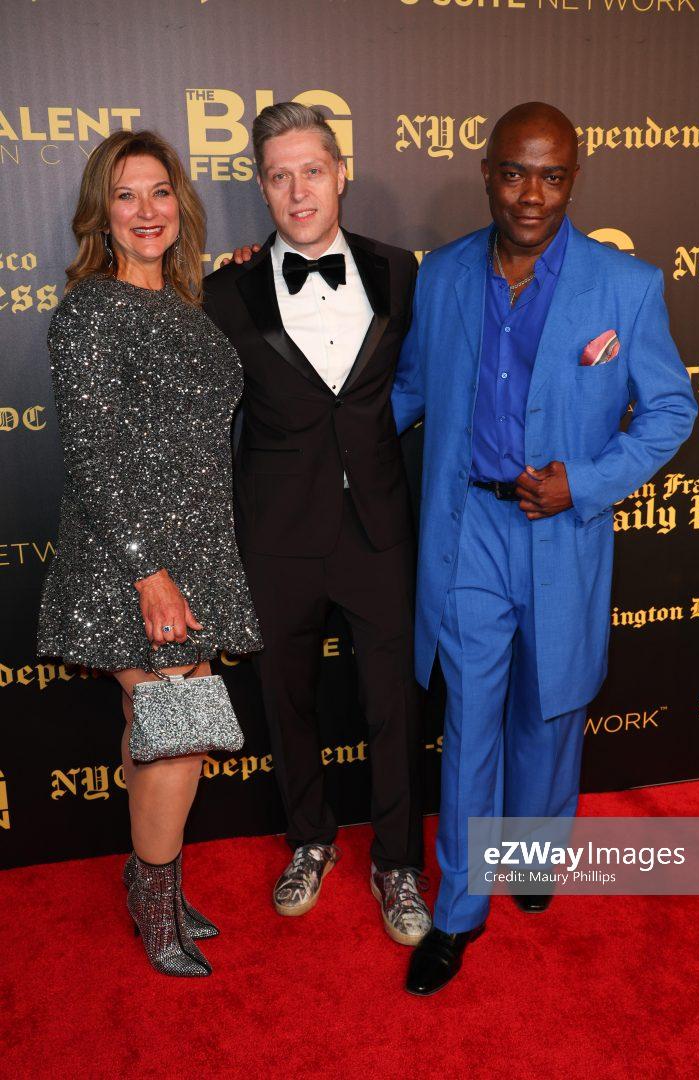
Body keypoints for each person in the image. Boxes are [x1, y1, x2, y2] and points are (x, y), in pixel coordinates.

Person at [392, 102, 697, 996]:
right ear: (487, 172)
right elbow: (407, 390)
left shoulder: (625, 285)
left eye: (552, 175)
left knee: (550, 708)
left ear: (574, 180)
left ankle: (531, 852)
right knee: (470, 717)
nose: (532, 194)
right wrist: (309, 439)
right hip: (469, 533)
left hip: (563, 532)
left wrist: (587, 481)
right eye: (516, 172)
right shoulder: (445, 275)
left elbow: (671, 408)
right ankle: (458, 912)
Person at [203, 103, 431, 946]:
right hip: (277, 535)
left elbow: (429, 378)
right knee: (286, 699)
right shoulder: (223, 291)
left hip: (378, 526)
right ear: (262, 188)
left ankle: (397, 861)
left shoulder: (400, 270)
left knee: (393, 704)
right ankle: (310, 839)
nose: (297, 191)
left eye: (311, 171)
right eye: (278, 176)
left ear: (340, 174)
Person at [37, 130, 262, 977]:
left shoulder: (189, 306)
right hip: (129, 556)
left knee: (157, 726)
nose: (145, 210)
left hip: (195, 547)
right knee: (178, 731)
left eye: (159, 192)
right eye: (126, 195)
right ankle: (156, 902)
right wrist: (148, 571)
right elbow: (91, 453)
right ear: (102, 213)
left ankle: (151, 880)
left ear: (179, 204)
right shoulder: (90, 312)